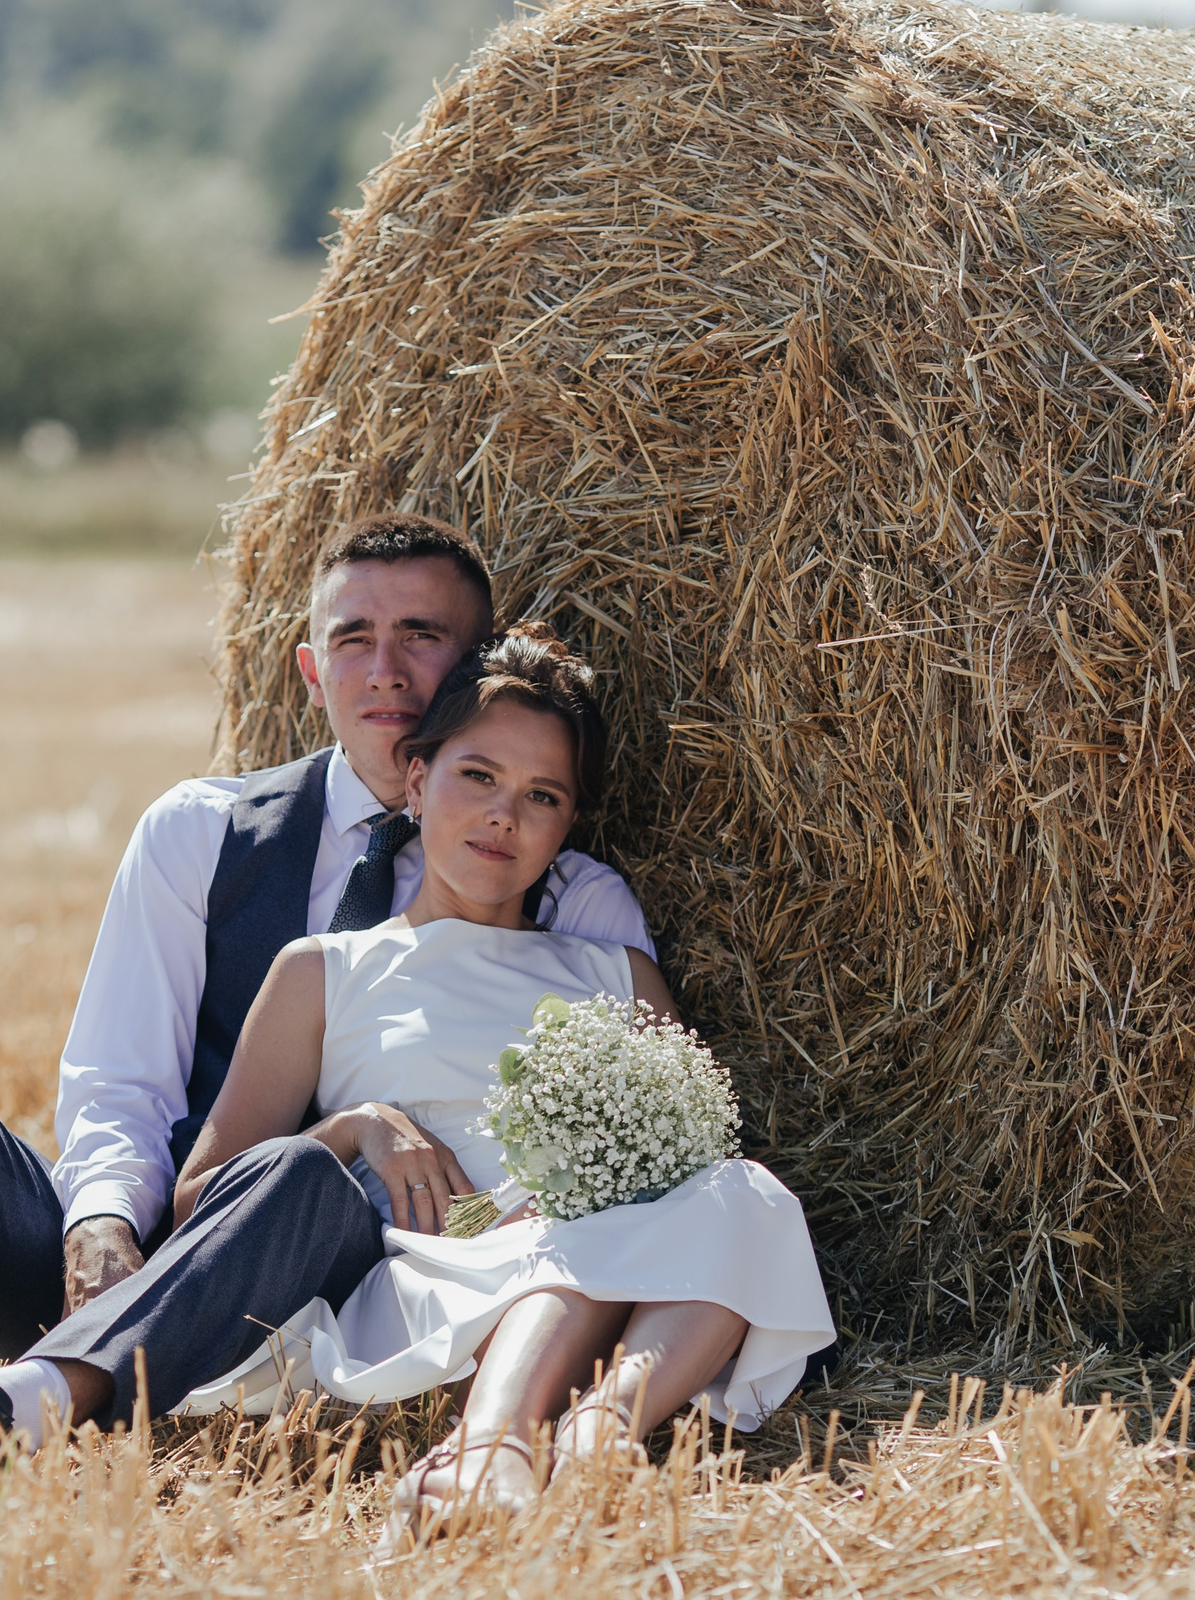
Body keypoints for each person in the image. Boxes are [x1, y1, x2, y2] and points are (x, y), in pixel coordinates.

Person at [0, 513, 654, 1454]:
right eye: (352, 638)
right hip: (144, 1255)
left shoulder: (564, 902)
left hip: (338, 1304)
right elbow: (122, 1080)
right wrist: (101, 1226)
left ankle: (34, 1402)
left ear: (474, 665)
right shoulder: (198, 832)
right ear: (309, 668)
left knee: (302, 1170)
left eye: (422, 635)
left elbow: (632, 1139)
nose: (385, 669)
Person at [141, 626, 831, 1537]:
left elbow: (695, 1180)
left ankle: (595, 1437)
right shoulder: (328, 970)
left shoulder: (614, 973)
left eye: (541, 795)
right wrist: (356, 1127)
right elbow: (202, 1205)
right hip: (435, 1266)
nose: (505, 813)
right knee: (578, 1234)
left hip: (587, 1246)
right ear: (417, 780)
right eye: (478, 776)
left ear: (566, 825)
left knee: (744, 1192)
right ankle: (492, 1445)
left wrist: (586, 1200)